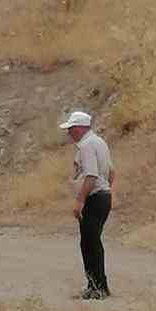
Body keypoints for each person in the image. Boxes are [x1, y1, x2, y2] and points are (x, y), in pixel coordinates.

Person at [59, 109, 115, 299]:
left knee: (90, 243)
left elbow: (91, 175)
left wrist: (80, 200)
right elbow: (111, 172)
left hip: (94, 198)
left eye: (72, 129)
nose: (69, 133)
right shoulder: (99, 142)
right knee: (91, 241)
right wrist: (106, 189)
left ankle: (98, 286)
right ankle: (96, 285)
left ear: (81, 128)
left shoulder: (87, 146)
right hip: (102, 196)